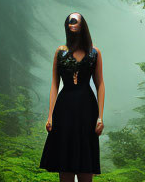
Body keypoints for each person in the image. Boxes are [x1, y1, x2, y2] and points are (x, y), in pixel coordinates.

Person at [39, 12, 104, 180]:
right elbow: (54, 84)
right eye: (68, 22)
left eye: (74, 21)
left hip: (87, 109)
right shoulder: (60, 52)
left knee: (85, 160)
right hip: (64, 108)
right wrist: (50, 116)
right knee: (64, 159)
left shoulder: (94, 52)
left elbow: (100, 84)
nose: (71, 24)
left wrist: (100, 117)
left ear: (83, 25)